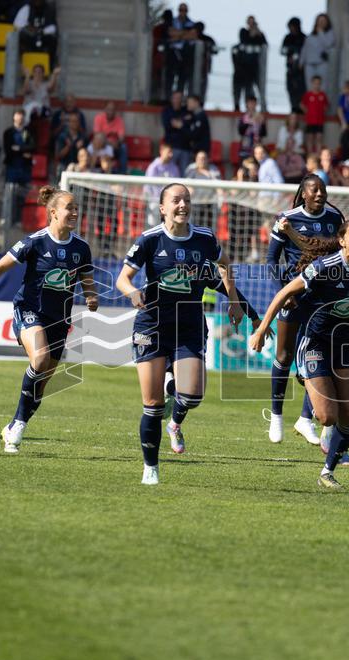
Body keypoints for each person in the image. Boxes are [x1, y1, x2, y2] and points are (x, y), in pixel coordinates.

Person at [250, 219, 349, 488]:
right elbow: (285, 292)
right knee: (326, 417)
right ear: (342, 240)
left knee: (347, 417)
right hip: (315, 343)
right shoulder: (324, 268)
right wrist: (261, 329)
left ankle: (327, 472)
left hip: (345, 345)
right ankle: (308, 378)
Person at [115, 183, 244, 484]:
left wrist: (234, 299)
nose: (182, 205)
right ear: (162, 207)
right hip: (152, 325)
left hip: (189, 326)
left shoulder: (205, 239)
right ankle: (151, 468)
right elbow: (123, 278)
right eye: (176, 200)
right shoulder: (150, 240)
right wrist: (133, 292)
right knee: (152, 403)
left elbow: (225, 266)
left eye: (186, 199)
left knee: (193, 395)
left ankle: (175, 422)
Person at [0, 186, 98, 453]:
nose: (75, 212)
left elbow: (86, 279)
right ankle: (17, 426)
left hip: (60, 320)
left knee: (41, 385)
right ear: (53, 212)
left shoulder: (81, 248)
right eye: (69, 208)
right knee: (39, 360)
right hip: (29, 311)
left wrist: (91, 297)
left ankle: (16, 423)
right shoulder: (34, 242)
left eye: (76, 208)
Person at [263, 174, 345, 445]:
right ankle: (276, 416)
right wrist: (282, 290)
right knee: (285, 355)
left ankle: (306, 418)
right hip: (295, 295)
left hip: (323, 297)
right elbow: (271, 258)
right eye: (314, 190)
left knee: (320, 357)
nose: (320, 194)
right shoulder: (287, 218)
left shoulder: (334, 219)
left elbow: (333, 253)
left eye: (323, 189)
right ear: (303, 194)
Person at [232, 16, 267, 112]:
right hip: (241, 67)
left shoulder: (259, 34)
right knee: (237, 89)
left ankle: (251, 108)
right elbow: (244, 40)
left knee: (249, 89)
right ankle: (236, 106)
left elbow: (264, 44)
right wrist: (252, 33)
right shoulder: (243, 31)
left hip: (252, 69)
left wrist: (258, 32)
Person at [301, 13, 335, 96]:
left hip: (321, 63)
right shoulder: (311, 35)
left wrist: (321, 33)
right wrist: (301, 61)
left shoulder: (330, 33)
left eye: (323, 21)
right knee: (310, 86)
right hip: (309, 64)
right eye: (319, 21)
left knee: (323, 86)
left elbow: (328, 44)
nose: (321, 23)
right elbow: (305, 49)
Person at [281, 17, 306, 111]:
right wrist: (290, 51)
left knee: (301, 89)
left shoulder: (303, 37)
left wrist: (297, 54)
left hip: (301, 69)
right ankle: (293, 107)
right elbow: (282, 50)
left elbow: (305, 52)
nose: (291, 29)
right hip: (290, 68)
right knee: (290, 88)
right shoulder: (288, 37)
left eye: (293, 26)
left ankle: (301, 108)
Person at [300, 76, 327, 156]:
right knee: (310, 139)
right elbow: (302, 104)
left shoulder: (323, 95)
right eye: (315, 83)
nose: (317, 85)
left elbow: (326, 106)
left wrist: (322, 111)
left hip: (320, 121)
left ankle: (318, 156)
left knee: (319, 138)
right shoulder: (308, 94)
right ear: (312, 84)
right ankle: (310, 156)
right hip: (310, 120)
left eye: (318, 84)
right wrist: (307, 112)